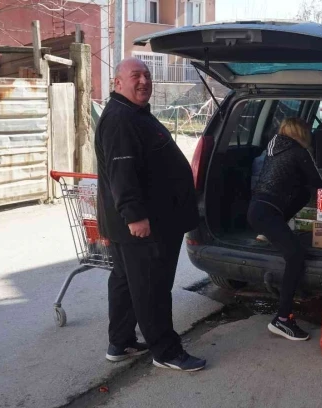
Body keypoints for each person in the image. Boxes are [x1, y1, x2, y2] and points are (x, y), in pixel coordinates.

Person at [94, 57, 206, 371]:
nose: (144, 81)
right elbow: (122, 172)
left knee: (126, 282)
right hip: (144, 224)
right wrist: (134, 216)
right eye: (136, 76)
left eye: (147, 75)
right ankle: (166, 352)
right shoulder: (121, 119)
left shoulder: (131, 113)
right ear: (118, 83)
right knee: (152, 287)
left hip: (137, 223)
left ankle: (121, 342)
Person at [247, 117, 322, 341]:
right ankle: (282, 319)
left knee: (303, 193)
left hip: (258, 210)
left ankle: (267, 233)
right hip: (268, 214)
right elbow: (321, 186)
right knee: (295, 256)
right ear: (303, 133)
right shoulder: (299, 152)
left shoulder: (274, 146)